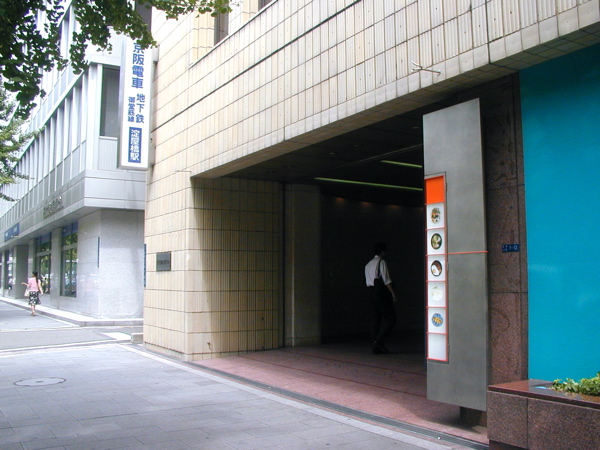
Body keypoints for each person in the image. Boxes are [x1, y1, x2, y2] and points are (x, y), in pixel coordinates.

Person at [364, 242, 397, 354]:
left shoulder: (368, 264)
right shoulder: (381, 262)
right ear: (382, 251)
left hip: (369, 292)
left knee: (374, 319)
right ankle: (378, 341)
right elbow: (387, 280)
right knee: (391, 318)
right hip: (379, 293)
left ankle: (374, 344)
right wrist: (393, 294)